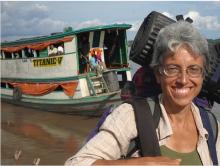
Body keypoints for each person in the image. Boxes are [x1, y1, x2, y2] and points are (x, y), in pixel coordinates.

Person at [65, 21, 220, 165]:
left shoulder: (211, 125)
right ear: (158, 74)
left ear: (202, 75)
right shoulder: (131, 116)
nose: (183, 79)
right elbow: (76, 162)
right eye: (172, 68)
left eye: (193, 69)